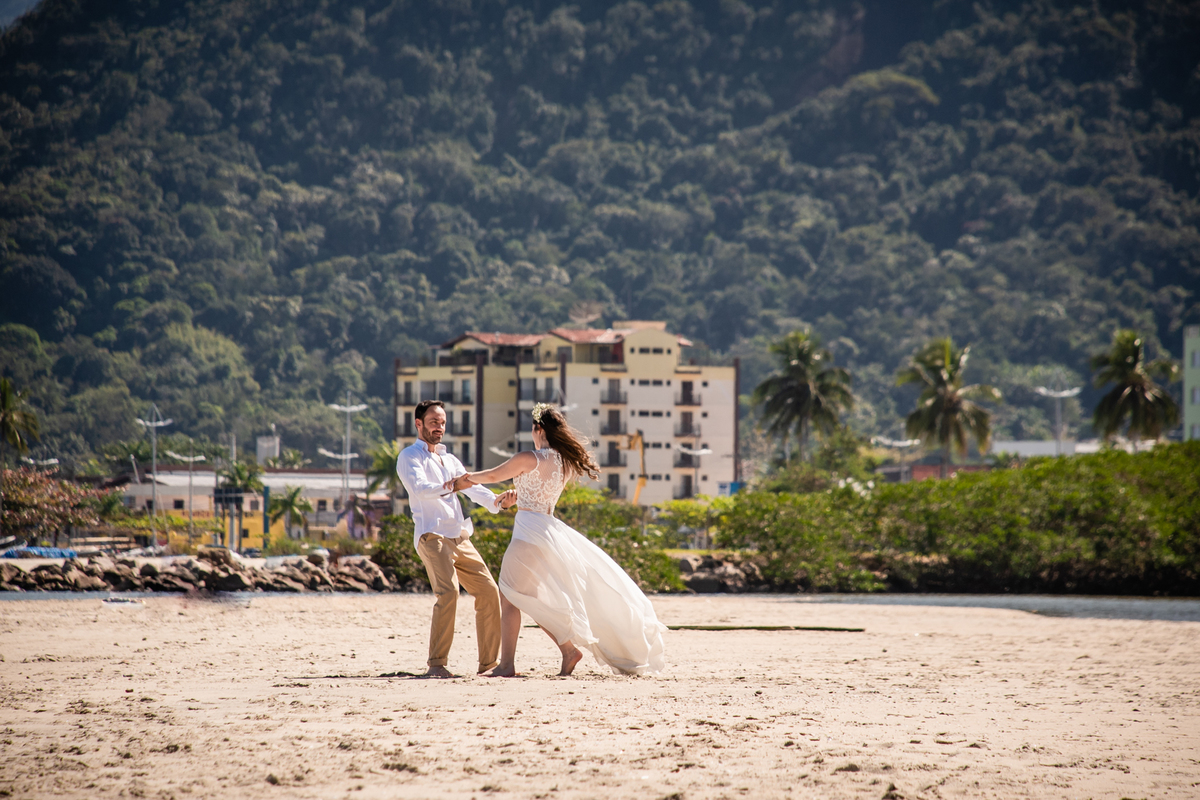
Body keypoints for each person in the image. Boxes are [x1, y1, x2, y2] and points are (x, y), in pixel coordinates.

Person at [446, 402, 666, 677]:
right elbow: (537, 492)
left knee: (509, 596)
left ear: (538, 429)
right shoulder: (565, 463)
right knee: (528, 598)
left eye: (532, 428)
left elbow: (492, 476)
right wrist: (514, 497)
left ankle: (508, 665)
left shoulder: (530, 457)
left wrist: (463, 481)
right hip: (547, 531)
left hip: (528, 531)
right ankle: (567, 651)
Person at [396, 399, 516, 678]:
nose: (439, 427)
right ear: (418, 424)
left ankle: (488, 665)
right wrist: (452, 485)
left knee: (489, 592)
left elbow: (473, 487)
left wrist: (498, 502)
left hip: (459, 535)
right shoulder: (409, 457)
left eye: (442, 423)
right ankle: (437, 665)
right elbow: (420, 488)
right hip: (431, 535)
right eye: (433, 422)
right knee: (448, 592)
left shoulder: (449, 459)